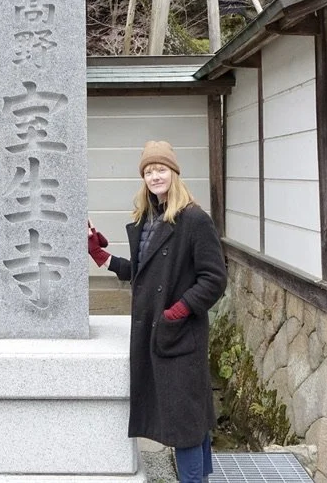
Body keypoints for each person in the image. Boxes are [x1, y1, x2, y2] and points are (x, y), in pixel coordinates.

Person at [88, 140, 227, 483]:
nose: (154, 176)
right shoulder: (148, 217)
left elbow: (215, 278)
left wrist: (177, 312)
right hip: (158, 333)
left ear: (174, 173)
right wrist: (99, 256)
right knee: (189, 418)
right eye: (148, 172)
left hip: (179, 334)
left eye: (161, 169)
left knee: (185, 422)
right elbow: (141, 271)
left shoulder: (193, 219)